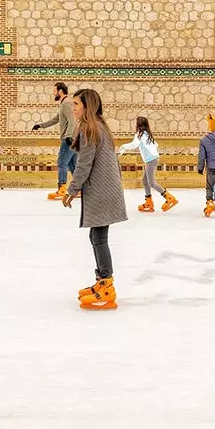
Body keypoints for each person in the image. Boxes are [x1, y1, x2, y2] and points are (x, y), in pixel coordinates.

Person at [64, 88, 127, 310]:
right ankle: (102, 281)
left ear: (87, 107)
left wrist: (71, 190)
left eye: (76, 105)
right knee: (97, 236)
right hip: (105, 189)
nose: (72, 109)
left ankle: (107, 285)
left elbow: (84, 165)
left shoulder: (90, 129)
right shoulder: (100, 126)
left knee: (99, 238)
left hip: (101, 191)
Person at [118, 115, 175, 213]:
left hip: (151, 160)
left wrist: (123, 146)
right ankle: (149, 202)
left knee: (151, 183)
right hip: (153, 159)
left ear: (138, 125)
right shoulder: (147, 134)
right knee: (145, 181)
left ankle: (169, 198)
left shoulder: (139, 134)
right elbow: (156, 144)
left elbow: (134, 145)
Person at [33, 82, 79, 202]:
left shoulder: (66, 103)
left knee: (62, 162)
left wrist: (69, 136)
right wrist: (40, 125)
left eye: (54, 91)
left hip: (69, 138)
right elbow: (56, 119)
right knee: (72, 164)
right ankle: (79, 189)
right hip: (73, 138)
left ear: (60, 91)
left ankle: (62, 189)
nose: (53, 93)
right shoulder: (64, 103)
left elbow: (72, 120)